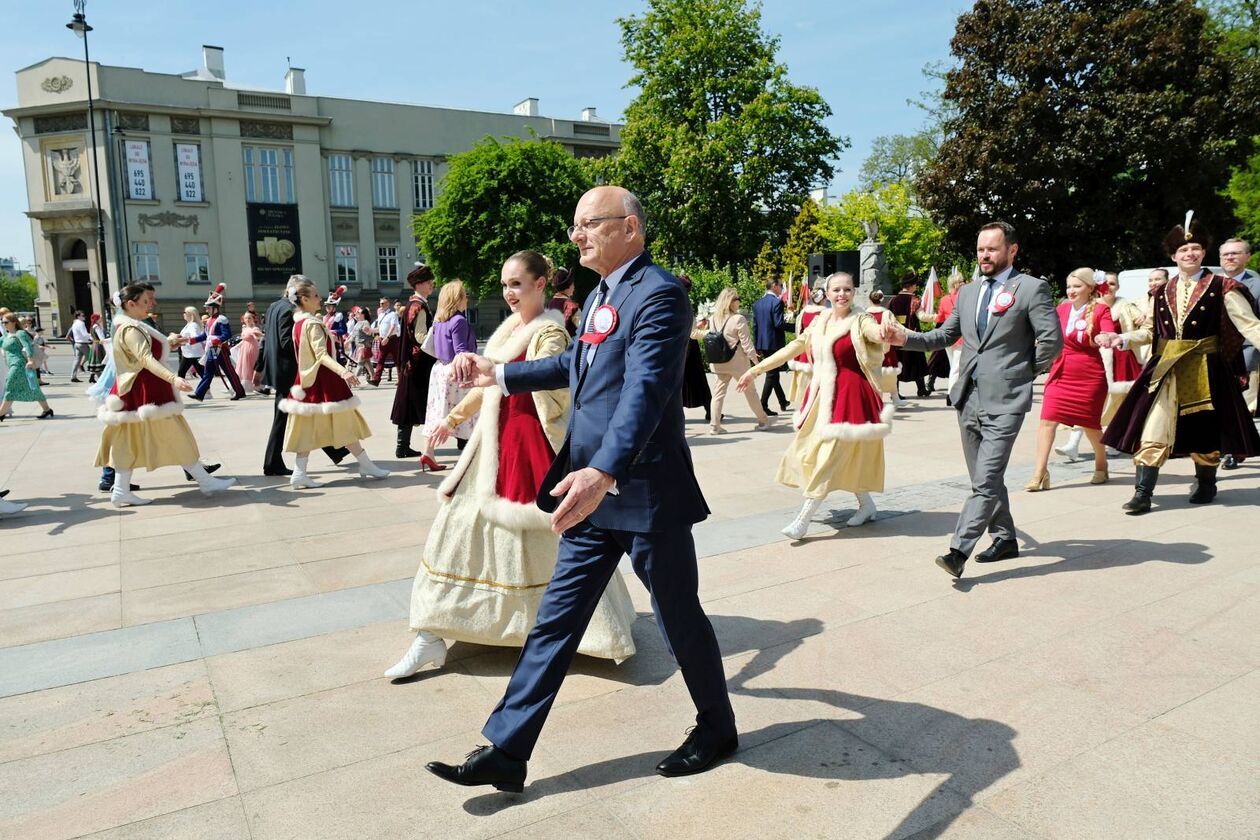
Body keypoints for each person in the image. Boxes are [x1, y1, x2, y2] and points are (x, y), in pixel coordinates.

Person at [428, 186, 736, 792]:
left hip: (644, 491)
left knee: (678, 617)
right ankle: (507, 750)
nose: (576, 236)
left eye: (588, 224)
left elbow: (646, 392)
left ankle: (717, 727)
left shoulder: (661, 293)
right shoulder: (602, 293)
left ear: (630, 228)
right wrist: (504, 374)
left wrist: (606, 470)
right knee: (556, 620)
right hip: (589, 491)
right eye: (576, 225)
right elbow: (580, 368)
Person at [386, 251, 637, 679]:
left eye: (517, 284)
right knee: (454, 535)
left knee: (550, 543)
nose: (509, 292)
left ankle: (571, 630)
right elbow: (489, 386)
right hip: (490, 448)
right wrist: (451, 418)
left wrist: (497, 371)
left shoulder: (550, 331)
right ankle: (430, 634)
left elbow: (556, 380)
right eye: (505, 285)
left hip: (529, 448)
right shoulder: (509, 330)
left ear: (541, 284)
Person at [882, 221, 1061, 578]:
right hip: (968, 397)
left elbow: (1052, 342)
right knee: (985, 476)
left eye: (992, 249)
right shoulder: (968, 293)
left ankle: (958, 551)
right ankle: (1005, 537)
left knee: (985, 479)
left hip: (1006, 399)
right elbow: (944, 335)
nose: (984, 255)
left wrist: (1022, 373)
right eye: (981, 249)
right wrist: (904, 338)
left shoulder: (1030, 289)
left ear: (1012, 250)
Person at [1097, 213, 1260, 514]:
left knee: (1204, 429)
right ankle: (1143, 493)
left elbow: (1250, 326)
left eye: (1195, 247)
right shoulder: (1160, 292)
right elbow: (1149, 331)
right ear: (1173, 255)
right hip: (1166, 367)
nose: (1190, 253)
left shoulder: (1222, 287)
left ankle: (1207, 483)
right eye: (1183, 250)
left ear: (1203, 252)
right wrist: (1120, 338)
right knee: (1153, 427)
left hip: (1206, 368)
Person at [737, 271, 892, 538]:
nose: (842, 294)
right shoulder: (820, 320)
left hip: (852, 398)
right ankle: (866, 504)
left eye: (847, 289)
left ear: (854, 292)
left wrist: (885, 332)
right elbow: (794, 347)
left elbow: (875, 333)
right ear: (827, 294)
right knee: (826, 453)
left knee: (829, 456)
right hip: (822, 397)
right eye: (837, 290)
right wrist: (756, 370)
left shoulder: (861, 318)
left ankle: (803, 519)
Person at [95, 282, 236, 507]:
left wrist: (169, 342)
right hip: (146, 392)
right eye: (145, 301)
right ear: (130, 304)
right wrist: (174, 378)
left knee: (128, 442)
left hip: (135, 391)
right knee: (176, 436)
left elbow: (142, 354)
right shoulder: (130, 327)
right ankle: (204, 480)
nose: (152, 304)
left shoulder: (128, 324)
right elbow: (145, 359)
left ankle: (121, 490)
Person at [279, 279, 389, 488]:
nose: (320, 299)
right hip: (324, 379)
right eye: (315, 296)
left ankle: (300, 472)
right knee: (344, 423)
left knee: (309, 427)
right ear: (304, 299)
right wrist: (344, 371)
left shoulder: (300, 323)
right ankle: (363, 464)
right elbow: (321, 354)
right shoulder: (311, 323)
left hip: (307, 380)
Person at [1026, 268, 1115, 491]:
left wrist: (1105, 336)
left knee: (1090, 425)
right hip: (1061, 373)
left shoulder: (1101, 309)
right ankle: (1040, 472)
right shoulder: (1062, 309)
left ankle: (1101, 463)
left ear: (1090, 287)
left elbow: (1109, 331)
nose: (1071, 291)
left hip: (1090, 376)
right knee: (1047, 421)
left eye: (1077, 286)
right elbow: (1046, 332)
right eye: (1069, 286)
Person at [261, 276, 349, 477]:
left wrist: (260, 366)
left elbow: (268, 339)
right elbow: (287, 342)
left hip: (279, 370)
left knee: (307, 412)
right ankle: (273, 463)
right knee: (285, 418)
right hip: (290, 372)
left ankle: (335, 450)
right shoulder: (289, 310)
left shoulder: (275, 306)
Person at [418, 280, 477, 471]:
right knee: (469, 413)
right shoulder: (459, 320)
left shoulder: (439, 320)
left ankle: (428, 452)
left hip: (439, 369)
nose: (467, 298)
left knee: (435, 413)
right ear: (457, 297)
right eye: (464, 294)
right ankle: (475, 455)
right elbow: (461, 351)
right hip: (456, 371)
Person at [707, 287, 772, 434]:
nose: (739, 302)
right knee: (751, 392)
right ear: (730, 302)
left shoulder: (713, 319)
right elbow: (747, 344)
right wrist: (757, 364)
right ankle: (763, 421)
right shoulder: (738, 319)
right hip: (738, 363)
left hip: (719, 362)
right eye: (737, 299)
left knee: (717, 394)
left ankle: (714, 426)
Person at [1219, 239, 1259, 469]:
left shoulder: (1257, 285)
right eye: (1226, 255)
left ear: (1248, 257)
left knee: (1244, 405)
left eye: (1235, 254)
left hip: (1247, 354)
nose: (1230, 258)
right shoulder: (1211, 284)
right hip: (1217, 356)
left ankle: (1235, 450)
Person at [391, 265, 437, 457]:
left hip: (410, 362)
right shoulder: (420, 306)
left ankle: (402, 447)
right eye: (428, 282)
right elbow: (420, 336)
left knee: (408, 402)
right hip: (418, 363)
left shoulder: (411, 305)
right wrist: (438, 346)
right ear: (419, 285)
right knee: (421, 402)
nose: (432, 285)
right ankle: (404, 447)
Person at [191, 285, 246, 401]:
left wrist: (218, 339)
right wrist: (193, 340)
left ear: (215, 307)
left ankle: (240, 391)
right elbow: (205, 335)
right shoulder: (210, 320)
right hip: (211, 349)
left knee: (229, 371)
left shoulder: (221, 319)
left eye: (208, 308)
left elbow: (227, 334)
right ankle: (199, 393)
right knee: (208, 372)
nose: (206, 310)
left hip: (220, 348)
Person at [0, 313, 53, 421]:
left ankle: (1, 413)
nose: (4, 324)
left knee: (10, 387)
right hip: (12, 365)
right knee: (34, 388)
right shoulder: (5, 336)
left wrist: (30, 360)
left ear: (14, 322)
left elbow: (28, 347)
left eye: (6, 322)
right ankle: (47, 409)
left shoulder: (20, 333)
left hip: (19, 364)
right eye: (2, 322)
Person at [753, 277, 791, 417]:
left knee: (773, 373)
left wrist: (756, 345)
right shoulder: (777, 302)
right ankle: (763, 405)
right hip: (774, 343)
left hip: (763, 344)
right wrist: (795, 327)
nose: (782, 288)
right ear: (774, 286)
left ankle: (782, 400)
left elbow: (755, 326)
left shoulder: (757, 303)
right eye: (781, 285)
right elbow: (778, 324)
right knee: (772, 374)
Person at [678, 274, 713, 422]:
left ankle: (679, 413)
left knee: (679, 382)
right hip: (689, 347)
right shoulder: (685, 302)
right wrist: (709, 333)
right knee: (698, 380)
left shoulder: (674, 301)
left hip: (679, 346)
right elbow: (692, 332)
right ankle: (710, 410)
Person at [889, 274, 929, 398]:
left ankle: (895, 393)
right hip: (912, 337)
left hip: (896, 337)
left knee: (897, 363)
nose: (916, 287)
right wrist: (937, 317)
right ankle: (921, 389)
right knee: (917, 361)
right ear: (911, 286)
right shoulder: (915, 300)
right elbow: (922, 316)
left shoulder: (893, 300)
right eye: (915, 284)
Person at [927, 271, 966, 398]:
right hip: (961, 337)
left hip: (948, 337)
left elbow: (940, 318)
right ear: (957, 284)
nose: (965, 283)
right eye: (962, 281)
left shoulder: (944, 299)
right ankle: (951, 395)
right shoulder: (965, 298)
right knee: (956, 367)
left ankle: (953, 393)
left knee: (953, 365)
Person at [787, 283, 827, 406]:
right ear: (822, 299)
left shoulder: (804, 312)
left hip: (804, 350)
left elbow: (798, 332)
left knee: (805, 385)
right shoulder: (826, 313)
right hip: (820, 351)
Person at [864, 290, 905, 406]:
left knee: (872, 374)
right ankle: (895, 397)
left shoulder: (864, 314)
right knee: (891, 374)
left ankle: (877, 400)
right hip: (886, 346)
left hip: (871, 347)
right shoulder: (887, 313)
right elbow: (896, 327)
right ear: (882, 300)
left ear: (870, 299)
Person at [545, 266, 582, 337]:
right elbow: (582, 327)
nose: (574, 287)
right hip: (569, 344)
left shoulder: (550, 303)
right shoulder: (571, 306)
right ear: (568, 286)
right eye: (572, 284)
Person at [370, 298, 400, 385]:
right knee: (380, 359)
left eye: (382, 303)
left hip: (392, 339)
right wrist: (370, 330)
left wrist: (387, 337)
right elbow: (379, 328)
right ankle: (376, 379)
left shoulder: (392, 314)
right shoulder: (381, 315)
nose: (381, 305)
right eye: (380, 303)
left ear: (388, 304)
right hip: (383, 339)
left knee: (397, 360)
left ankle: (401, 379)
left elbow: (393, 326)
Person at [233, 311, 263, 393]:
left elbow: (260, 336)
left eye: (249, 318)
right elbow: (244, 340)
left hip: (253, 349)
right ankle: (244, 386)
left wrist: (257, 335)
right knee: (244, 367)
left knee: (252, 366)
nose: (248, 319)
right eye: (246, 318)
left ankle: (256, 385)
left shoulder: (255, 328)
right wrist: (236, 347)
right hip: (244, 350)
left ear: (253, 319)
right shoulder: (244, 328)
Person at [176, 307, 205, 380]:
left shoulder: (193, 325)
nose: (183, 314)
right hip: (188, 354)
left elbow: (195, 337)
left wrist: (182, 340)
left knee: (202, 373)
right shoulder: (189, 324)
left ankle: (206, 390)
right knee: (181, 372)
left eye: (185, 312)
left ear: (190, 314)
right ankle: (180, 388)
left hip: (195, 354)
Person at [68, 310, 92, 382]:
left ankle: (73, 376)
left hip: (77, 343)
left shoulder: (74, 323)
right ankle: (94, 375)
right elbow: (84, 334)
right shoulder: (81, 323)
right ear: (78, 316)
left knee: (77, 360)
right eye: (83, 315)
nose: (84, 317)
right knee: (91, 358)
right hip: (83, 344)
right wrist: (92, 338)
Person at [86, 313, 108, 383]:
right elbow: (101, 337)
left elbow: (91, 337)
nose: (101, 319)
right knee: (99, 360)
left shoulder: (93, 326)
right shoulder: (97, 327)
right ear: (97, 319)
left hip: (94, 344)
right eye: (100, 318)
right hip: (98, 345)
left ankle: (92, 377)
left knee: (94, 361)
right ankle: (101, 379)